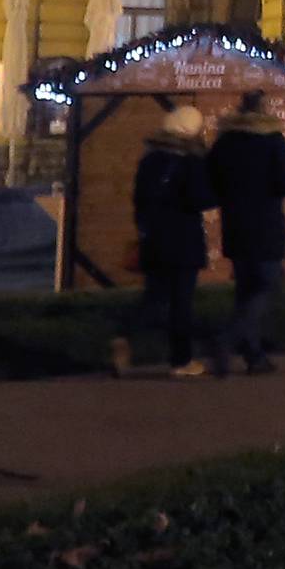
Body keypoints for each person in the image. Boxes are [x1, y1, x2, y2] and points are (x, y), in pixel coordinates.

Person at [112, 102, 211, 378]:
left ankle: (125, 334)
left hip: (155, 236)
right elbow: (201, 198)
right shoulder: (191, 160)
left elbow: (139, 200)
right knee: (181, 302)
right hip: (184, 239)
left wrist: (144, 227)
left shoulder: (150, 158)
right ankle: (181, 361)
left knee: (155, 296)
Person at [206, 89, 285, 375]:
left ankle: (254, 355)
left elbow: (212, 181)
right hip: (266, 223)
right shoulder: (271, 140)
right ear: (263, 108)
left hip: (235, 223)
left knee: (246, 288)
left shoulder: (225, 141)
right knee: (265, 286)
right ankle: (227, 340)